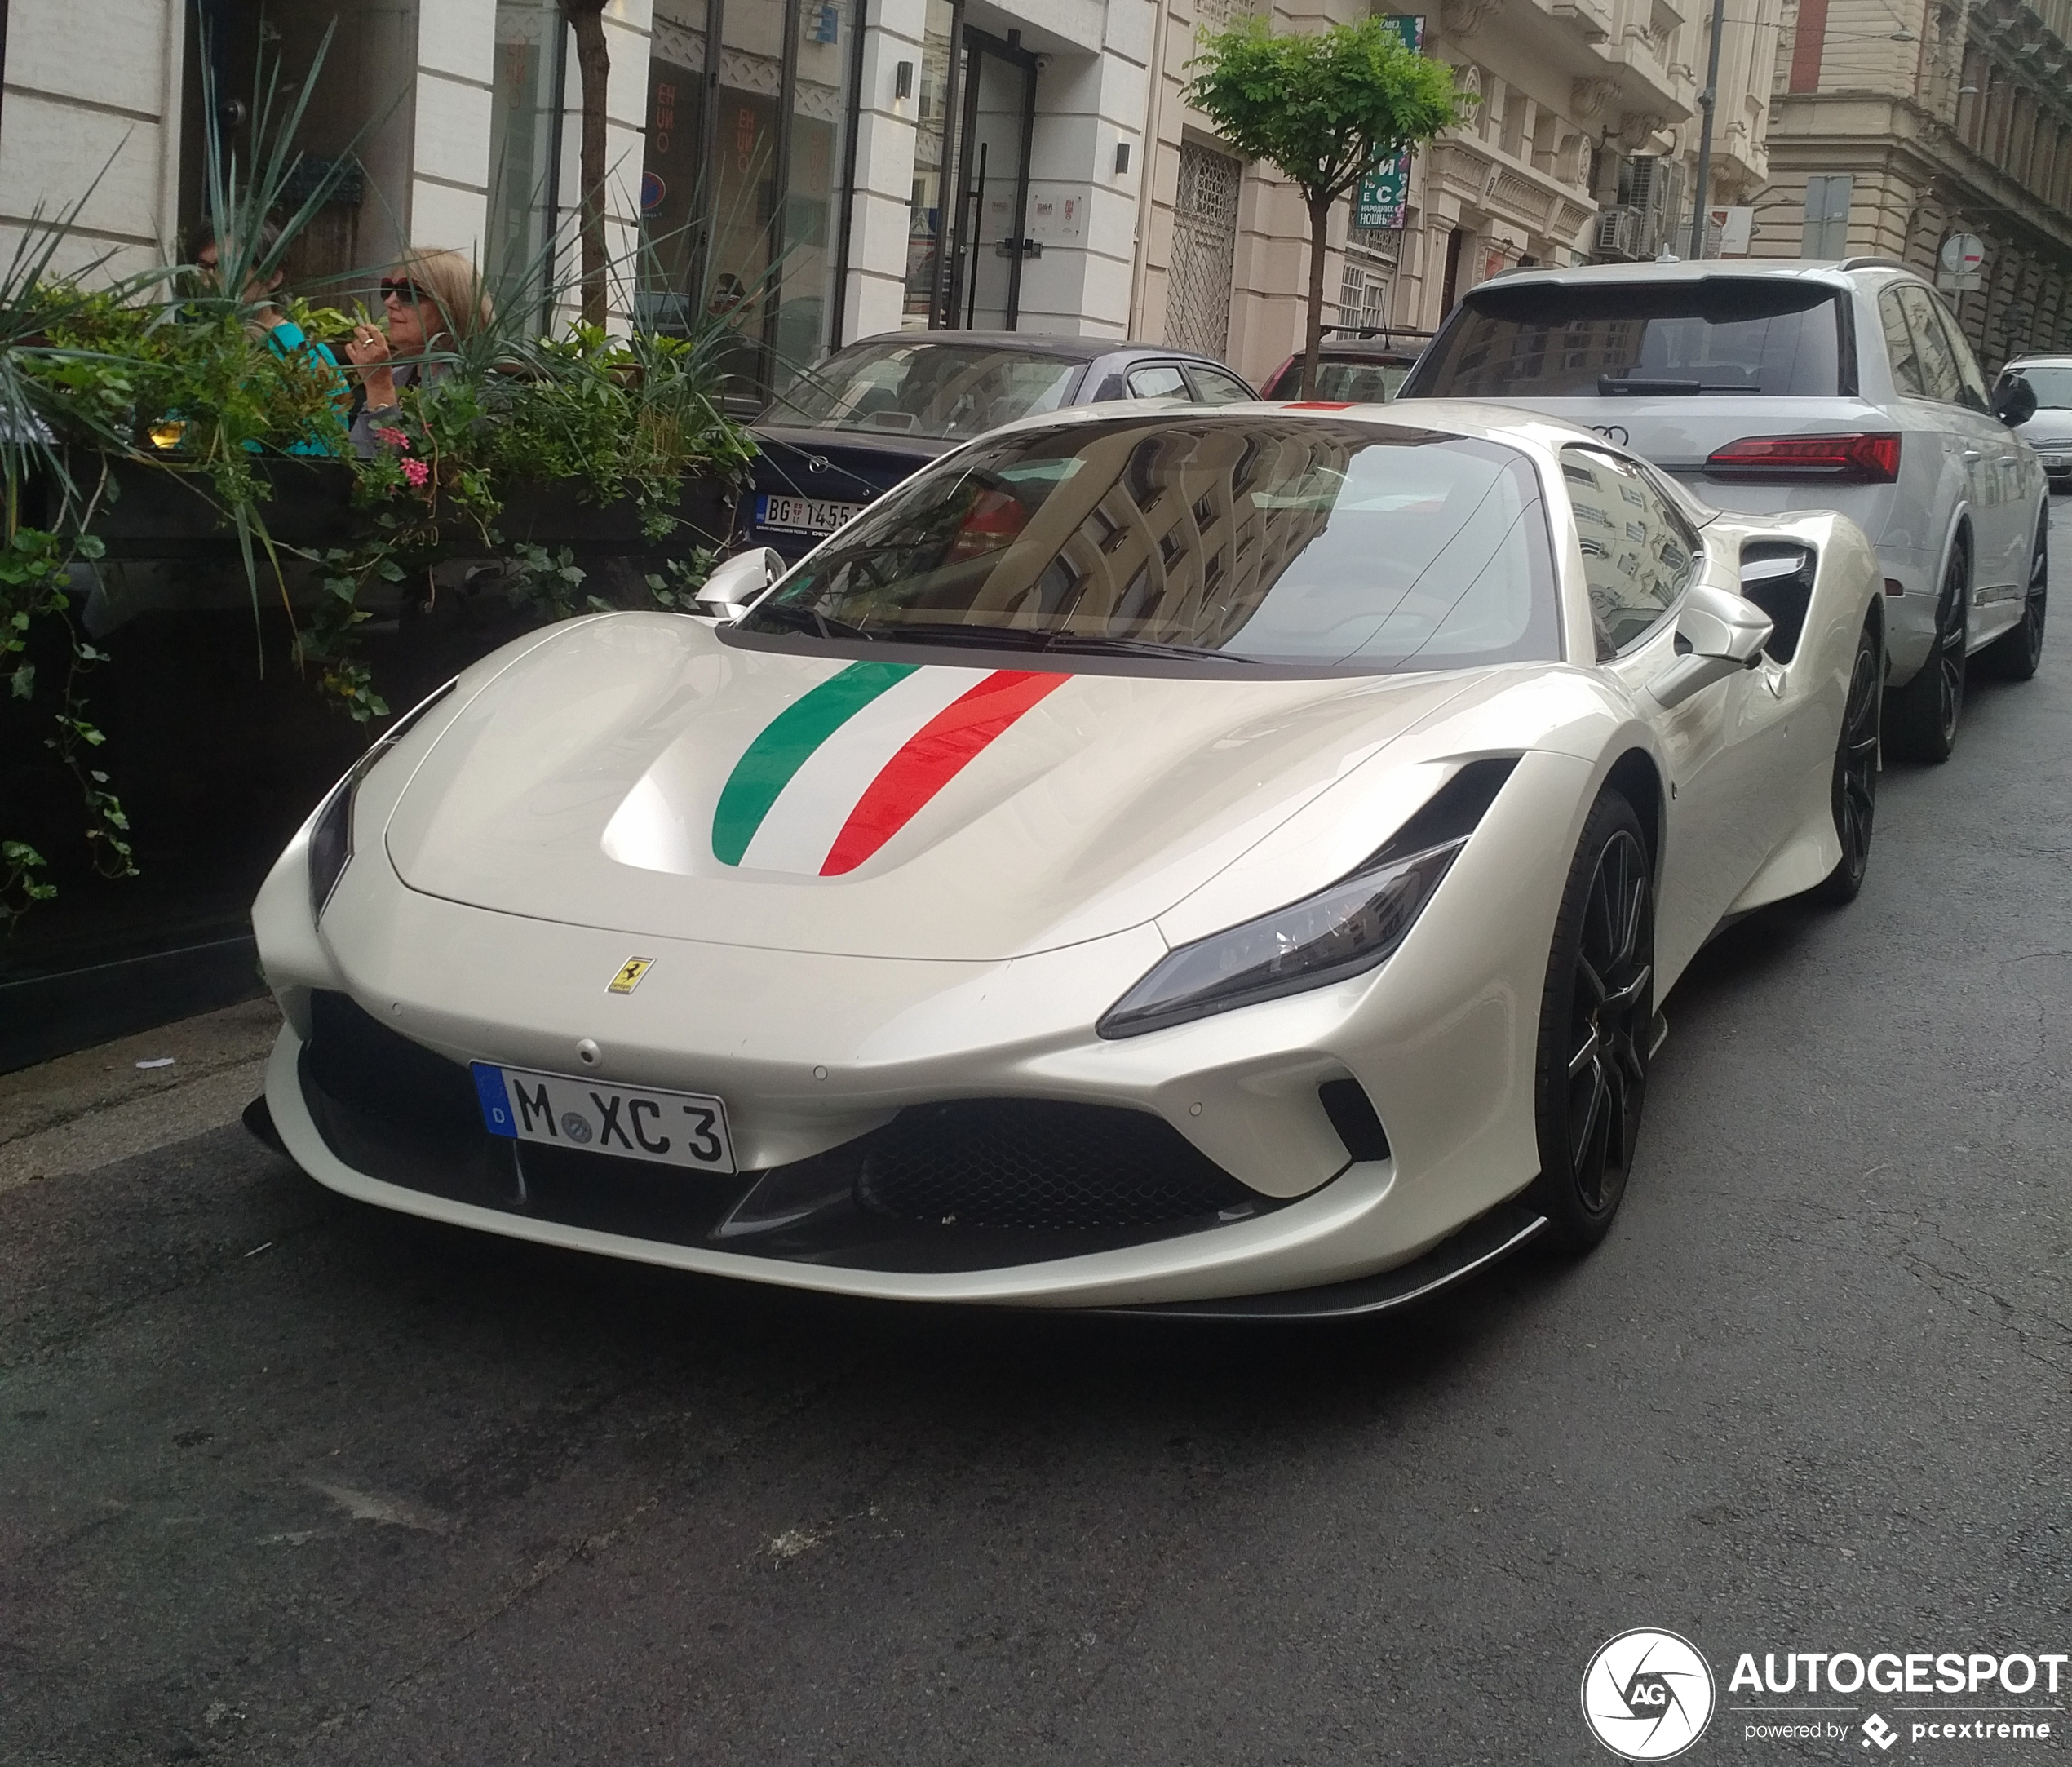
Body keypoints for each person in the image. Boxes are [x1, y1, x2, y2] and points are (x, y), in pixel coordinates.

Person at [193, 213, 349, 454]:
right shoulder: (204, 347)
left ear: (273, 276)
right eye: (203, 268)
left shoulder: (306, 358)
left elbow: (318, 463)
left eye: (226, 267)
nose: (209, 281)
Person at [341, 249, 494, 456]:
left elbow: (408, 475)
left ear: (451, 306)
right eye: (388, 289)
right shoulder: (394, 377)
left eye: (408, 293)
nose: (390, 302)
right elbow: (357, 459)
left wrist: (380, 390)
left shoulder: (480, 391)